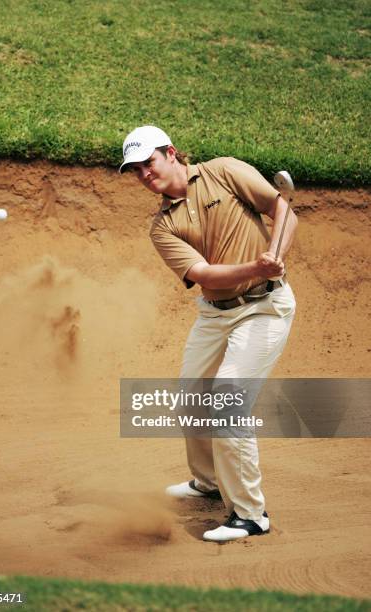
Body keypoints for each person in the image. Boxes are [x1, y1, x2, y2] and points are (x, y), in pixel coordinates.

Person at [119, 125, 298, 542]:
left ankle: (251, 515)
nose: (145, 174)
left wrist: (275, 257)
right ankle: (209, 482)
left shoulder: (225, 171)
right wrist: (256, 265)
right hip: (215, 313)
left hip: (264, 308)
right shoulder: (162, 227)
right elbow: (202, 274)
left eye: (149, 162)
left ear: (171, 153)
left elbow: (283, 210)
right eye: (136, 170)